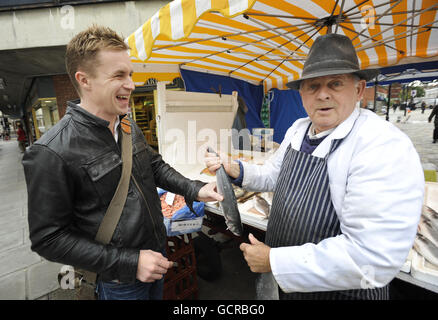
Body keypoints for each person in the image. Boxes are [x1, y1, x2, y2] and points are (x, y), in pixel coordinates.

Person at [205, 34, 424, 300]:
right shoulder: (299, 129)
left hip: (342, 293)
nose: (322, 95)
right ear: (301, 93)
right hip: (290, 285)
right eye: (313, 86)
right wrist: (237, 170)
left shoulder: (382, 144)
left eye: (335, 83)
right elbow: (274, 173)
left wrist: (276, 261)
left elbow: (370, 256)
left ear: (358, 89)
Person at [22, 25, 223, 300]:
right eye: (119, 75)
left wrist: (194, 188)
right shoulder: (51, 151)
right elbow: (49, 238)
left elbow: (154, 166)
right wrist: (130, 262)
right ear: (84, 80)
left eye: (130, 74)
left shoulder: (127, 123)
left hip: (156, 257)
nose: (131, 84)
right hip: (119, 281)